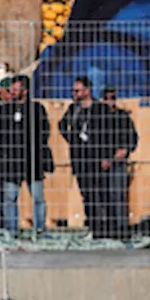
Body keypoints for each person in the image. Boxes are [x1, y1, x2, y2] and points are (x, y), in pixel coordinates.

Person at [0, 74, 51, 234]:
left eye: (16, 88)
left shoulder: (36, 109)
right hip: (12, 162)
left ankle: (39, 229)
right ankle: (12, 230)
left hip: (33, 161)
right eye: (11, 88)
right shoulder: (4, 110)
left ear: (25, 90)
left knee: (38, 198)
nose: (13, 91)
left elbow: (44, 132)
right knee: (9, 198)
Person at [58, 77, 113, 236]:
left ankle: (106, 227)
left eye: (77, 90)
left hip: (97, 157)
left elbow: (108, 135)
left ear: (87, 91)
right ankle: (93, 226)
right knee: (87, 194)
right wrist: (73, 139)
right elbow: (62, 125)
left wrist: (106, 156)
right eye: (73, 91)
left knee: (102, 193)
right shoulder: (73, 109)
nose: (74, 94)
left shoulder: (100, 109)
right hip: (80, 158)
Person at [99, 86, 138, 236]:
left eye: (113, 98)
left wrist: (126, 150)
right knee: (102, 196)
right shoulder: (98, 118)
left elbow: (133, 138)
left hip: (118, 163)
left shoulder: (123, 117)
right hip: (101, 163)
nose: (110, 102)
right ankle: (105, 228)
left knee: (118, 195)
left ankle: (122, 228)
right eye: (107, 98)